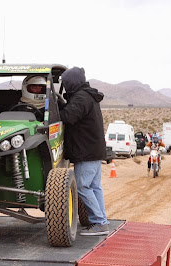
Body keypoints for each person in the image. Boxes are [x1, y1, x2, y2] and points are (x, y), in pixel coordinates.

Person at [59, 67, 109, 236]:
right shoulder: (87, 96)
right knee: (94, 187)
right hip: (93, 150)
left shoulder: (81, 98)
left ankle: (99, 222)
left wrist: (57, 107)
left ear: (72, 82)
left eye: (66, 83)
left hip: (86, 152)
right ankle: (102, 221)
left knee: (82, 186)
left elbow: (68, 117)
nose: (65, 86)